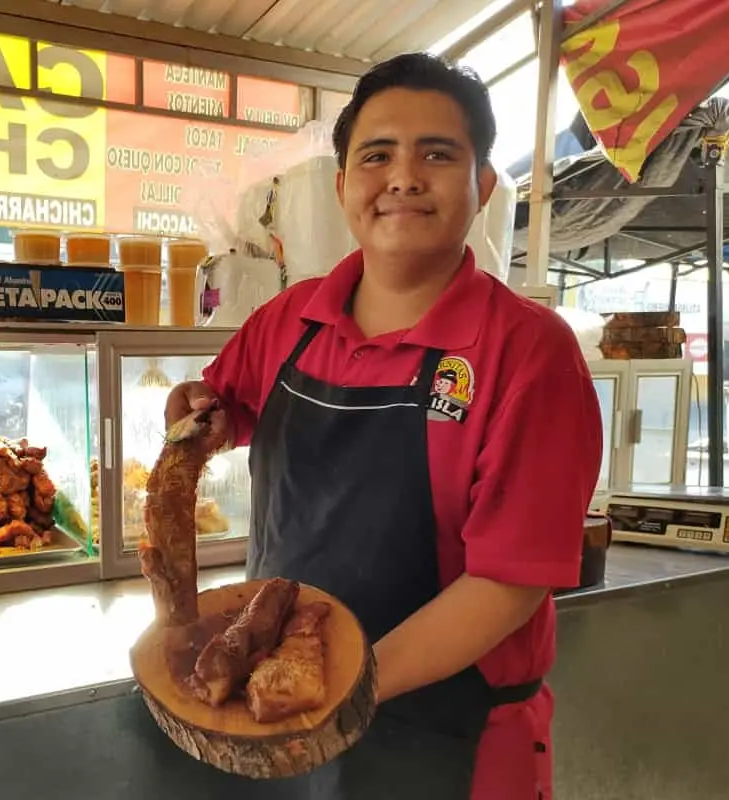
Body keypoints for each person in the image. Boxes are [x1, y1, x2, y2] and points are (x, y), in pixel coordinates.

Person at [165, 53, 603, 799]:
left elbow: (509, 583)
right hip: (283, 709)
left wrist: (345, 688)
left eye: (438, 153)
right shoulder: (289, 318)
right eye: (377, 155)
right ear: (343, 187)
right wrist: (197, 416)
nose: (403, 176)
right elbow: (221, 404)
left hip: (449, 733)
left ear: (484, 186)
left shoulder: (529, 352)